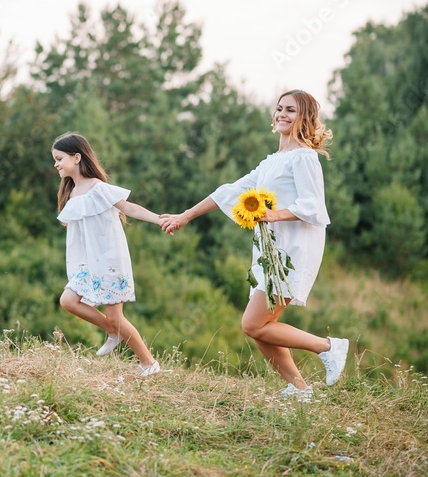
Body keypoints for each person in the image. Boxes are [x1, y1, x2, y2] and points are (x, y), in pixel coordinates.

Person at [160, 89, 348, 398]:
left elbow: (313, 206)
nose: (282, 114)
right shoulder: (272, 162)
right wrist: (185, 216)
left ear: (305, 117)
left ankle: (328, 347)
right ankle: (299, 390)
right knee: (261, 326)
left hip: (294, 250)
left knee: (253, 324)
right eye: (279, 108)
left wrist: (272, 215)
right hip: (270, 252)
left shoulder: (304, 157)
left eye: (290, 110)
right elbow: (230, 190)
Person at [51, 132, 162, 376]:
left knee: (117, 318)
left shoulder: (99, 188)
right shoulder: (71, 194)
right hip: (87, 265)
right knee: (68, 301)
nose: (56, 164)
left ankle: (148, 363)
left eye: (60, 158)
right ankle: (112, 331)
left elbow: (129, 208)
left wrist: (159, 219)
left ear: (77, 157)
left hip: (110, 262)